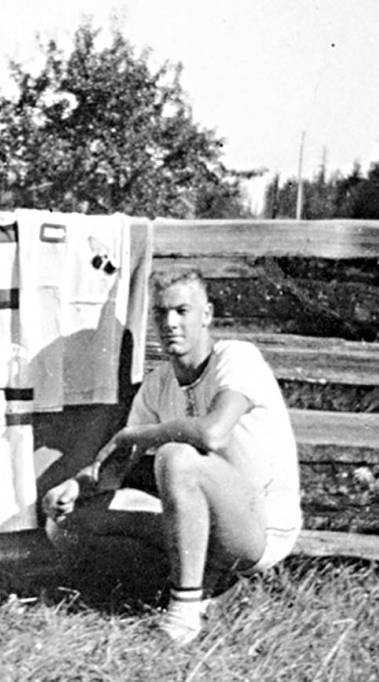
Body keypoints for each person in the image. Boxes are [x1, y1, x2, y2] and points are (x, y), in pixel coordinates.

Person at [42, 267, 302, 645]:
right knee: (66, 525)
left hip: (259, 528)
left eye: (182, 311)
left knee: (176, 457)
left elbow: (212, 432)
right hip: (199, 520)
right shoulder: (158, 382)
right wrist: (76, 485)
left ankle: (182, 617)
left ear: (207, 315)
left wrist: (140, 433)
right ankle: (208, 586)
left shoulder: (236, 358)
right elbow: (119, 463)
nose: (170, 323)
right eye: (160, 313)